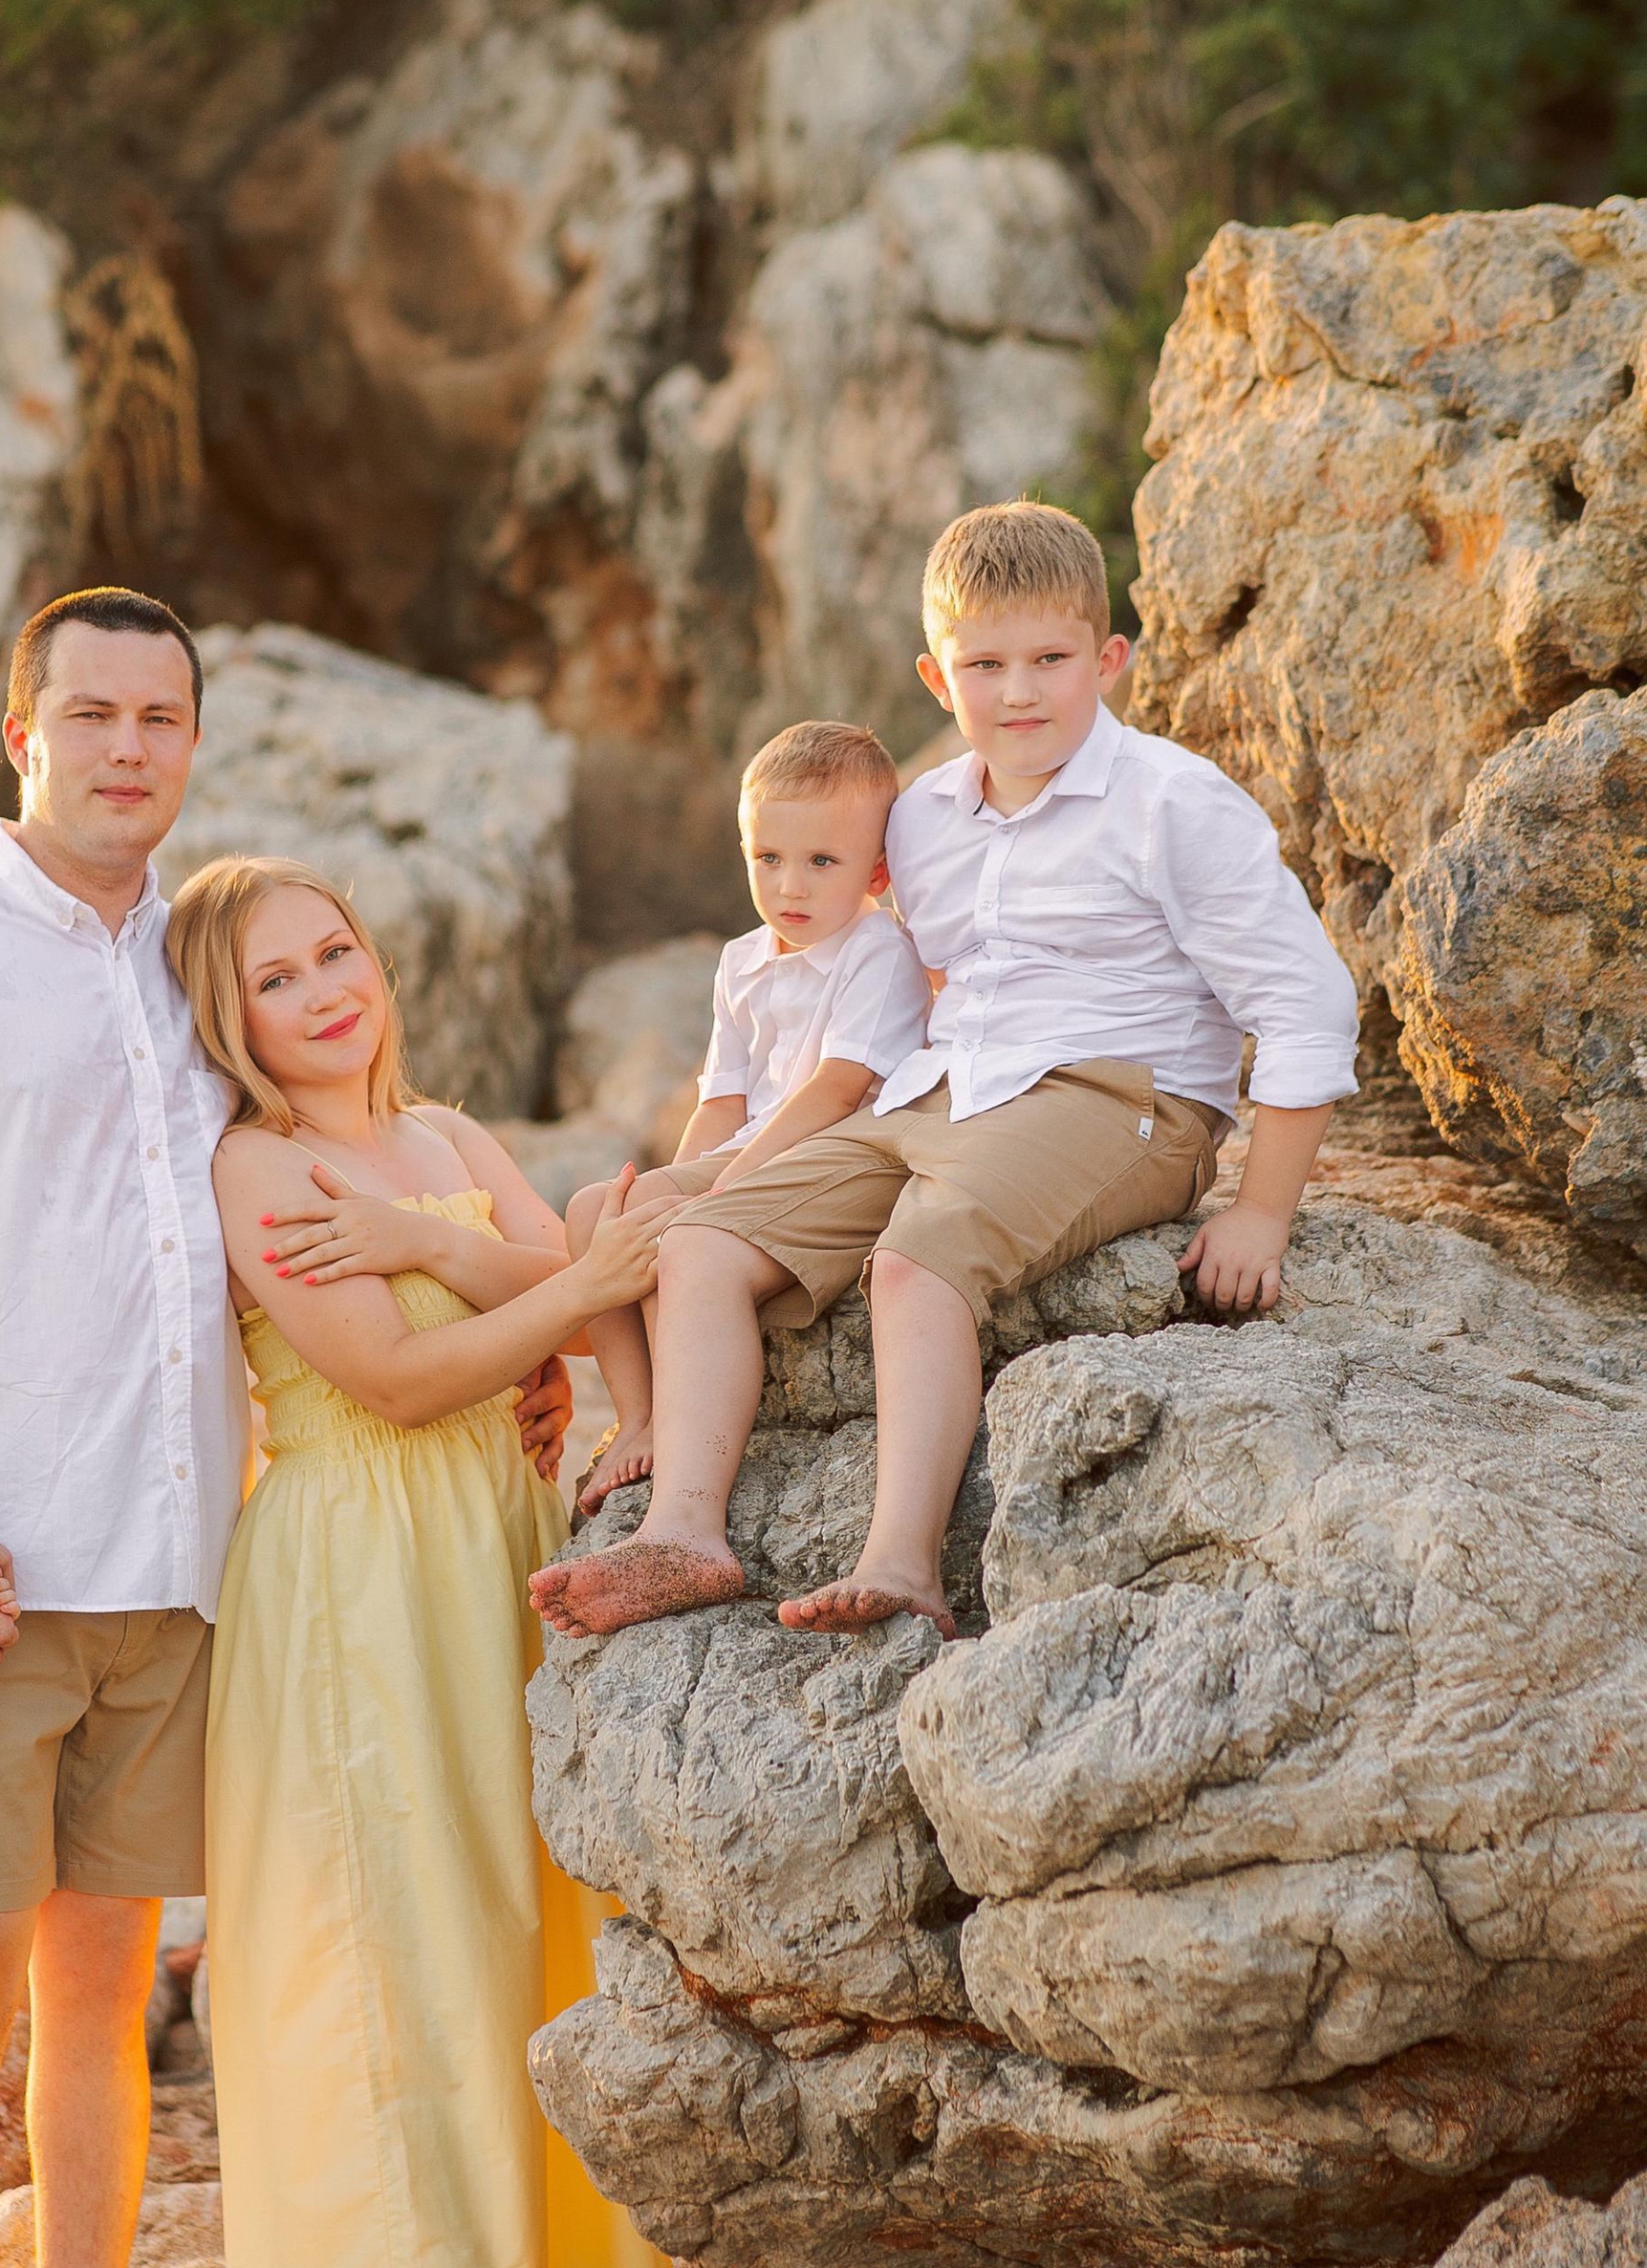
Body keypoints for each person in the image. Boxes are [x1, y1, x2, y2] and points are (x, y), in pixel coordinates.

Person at [0, 586, 574, 2268]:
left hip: (177, 1556)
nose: (128, 748)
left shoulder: (202, 972)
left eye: (160, 719)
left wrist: (503, 1323)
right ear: (23, 733)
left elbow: (324, 1198)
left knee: (106, 1989)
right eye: (94, 715)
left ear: (192, 743)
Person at [531, 499, 1360, 1640]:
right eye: (985, 664)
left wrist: (1262, 1212)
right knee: (698, 1241)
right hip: (937, 1089)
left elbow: (1306, 1000)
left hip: (1117, 1094)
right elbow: (830, 932)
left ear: (1108, 660)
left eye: (1050, 660)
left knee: (918, 1259)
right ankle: (684, 1528)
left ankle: (901, 1563)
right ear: (936, 678)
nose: (1018, 692)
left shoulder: (1171, 803)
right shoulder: (919, 817)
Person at [168, 854, 676, 2268]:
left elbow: (573, 1326)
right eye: (277, 980)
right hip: (360, 1566)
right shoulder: (254, 1165)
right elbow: (393, 1377)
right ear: (233, 1021)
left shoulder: (444, 1139)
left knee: (533, 1907)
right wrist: (563, 1286)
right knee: (403, 1932)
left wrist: (416, 1242)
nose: (324, 993)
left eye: (336, 954)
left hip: (505, 1528)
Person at [565, 720, 929, 1520]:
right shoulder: (743, 960)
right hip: (747, 1150)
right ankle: (639, 1416)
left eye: (820, 862)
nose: (789, 888)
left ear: (876, 869)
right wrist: (671, 1183)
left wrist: (717, 1190)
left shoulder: (878, 949)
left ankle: (676, 1419)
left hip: (829, 1155)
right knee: (599, 1210)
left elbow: (838, 1087)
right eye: (768, 859)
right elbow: (721, 1100)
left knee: (670, 1233)